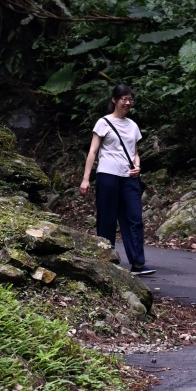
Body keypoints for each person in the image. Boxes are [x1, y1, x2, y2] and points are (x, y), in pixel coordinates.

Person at [79, 84, 154, 276]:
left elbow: (134, 153)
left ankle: (137, 263)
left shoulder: (133, 125)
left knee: (134, 219)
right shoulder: (103, 123)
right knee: (107, 219)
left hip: (129, 178)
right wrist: (86, 179)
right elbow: (93, 151)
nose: (128, 102)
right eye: (124, 99)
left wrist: (138, 166)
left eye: (130, 99)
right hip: (107, 175)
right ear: (114, 100)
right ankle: (106, 261)